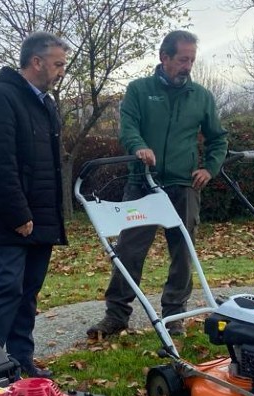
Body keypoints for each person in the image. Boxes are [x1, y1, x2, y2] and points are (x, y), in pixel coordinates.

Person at [86, 30, 228, 339]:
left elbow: (218, 138)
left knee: (182, 251)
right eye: (182, 59)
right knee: (129, 250)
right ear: (164, 58)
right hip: (142, 183)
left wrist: (210, 168)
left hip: (184, 183)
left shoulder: (201, 96)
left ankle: (174, 314)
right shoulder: (139, 90)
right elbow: (128, 128)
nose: (187, 66)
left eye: (191, 59)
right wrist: (139, 147)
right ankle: (117, 315)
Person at [0, 32, 69, 378]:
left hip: (41, 216)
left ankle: (20, 358)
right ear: (37, 62)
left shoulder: (45, 103)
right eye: (58, 64)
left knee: (29, 290)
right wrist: (18, 214)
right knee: (8, 288)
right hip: (12, 218)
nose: (61, 71)